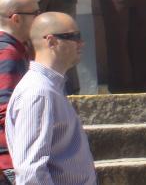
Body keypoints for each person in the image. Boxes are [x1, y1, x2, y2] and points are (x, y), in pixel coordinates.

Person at [6, 12, 96, 184]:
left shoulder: (51, 88)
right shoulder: (38, 93)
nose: (81, 43)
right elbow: (31, 172)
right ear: (52, 41)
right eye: (74, 37)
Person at [0, 0, 38, 184]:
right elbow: (5, 110)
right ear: (16, 19)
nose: (39, 20)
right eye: (35, 14)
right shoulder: (9, 53)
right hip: (7, 161)